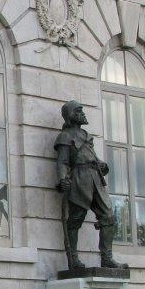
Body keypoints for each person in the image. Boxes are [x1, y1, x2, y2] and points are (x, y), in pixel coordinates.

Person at [54, 100, 121, 270]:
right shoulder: (65, 136)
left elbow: (93, 156)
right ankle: (74, 258)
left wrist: (102, 165)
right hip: (79, 178)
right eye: (79, 110)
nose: (83, 113)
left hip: (96, 178)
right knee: (76, 218)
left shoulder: (87, 136)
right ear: (71, 115)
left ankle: (107, 258)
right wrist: (63, 179)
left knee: (108, 216)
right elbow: (62, 161)